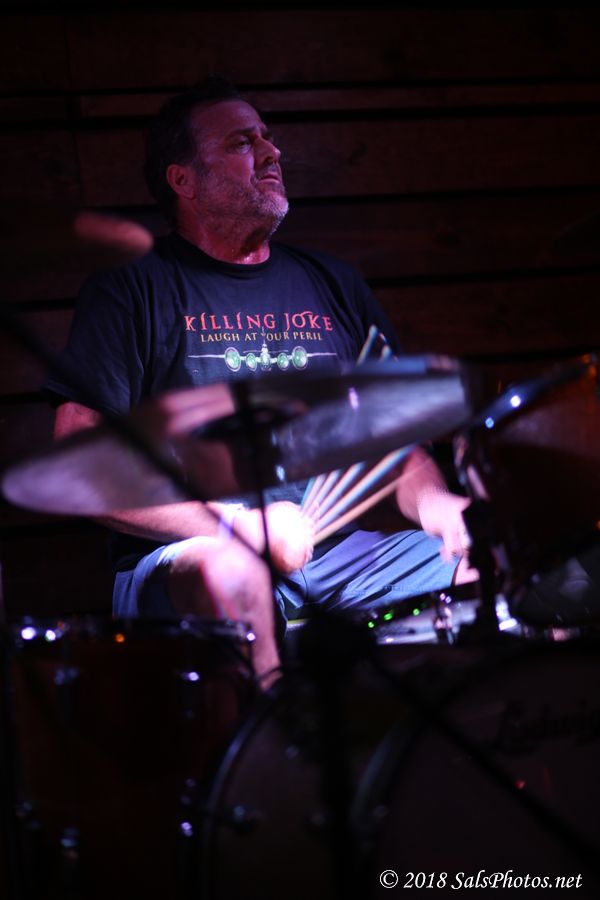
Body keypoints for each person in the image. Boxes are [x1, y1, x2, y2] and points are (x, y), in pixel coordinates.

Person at [43, 76, 476, 686]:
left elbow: (396, 448)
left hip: (339, 554)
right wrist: (235, 525)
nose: (272, 153)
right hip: (192, 554)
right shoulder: (132, 287)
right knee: (235, 572)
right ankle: (278, 742)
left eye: (268, 138)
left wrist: (437, 506)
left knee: (492, 559)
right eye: (242, 143)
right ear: (184, 180)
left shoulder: (333, 283)